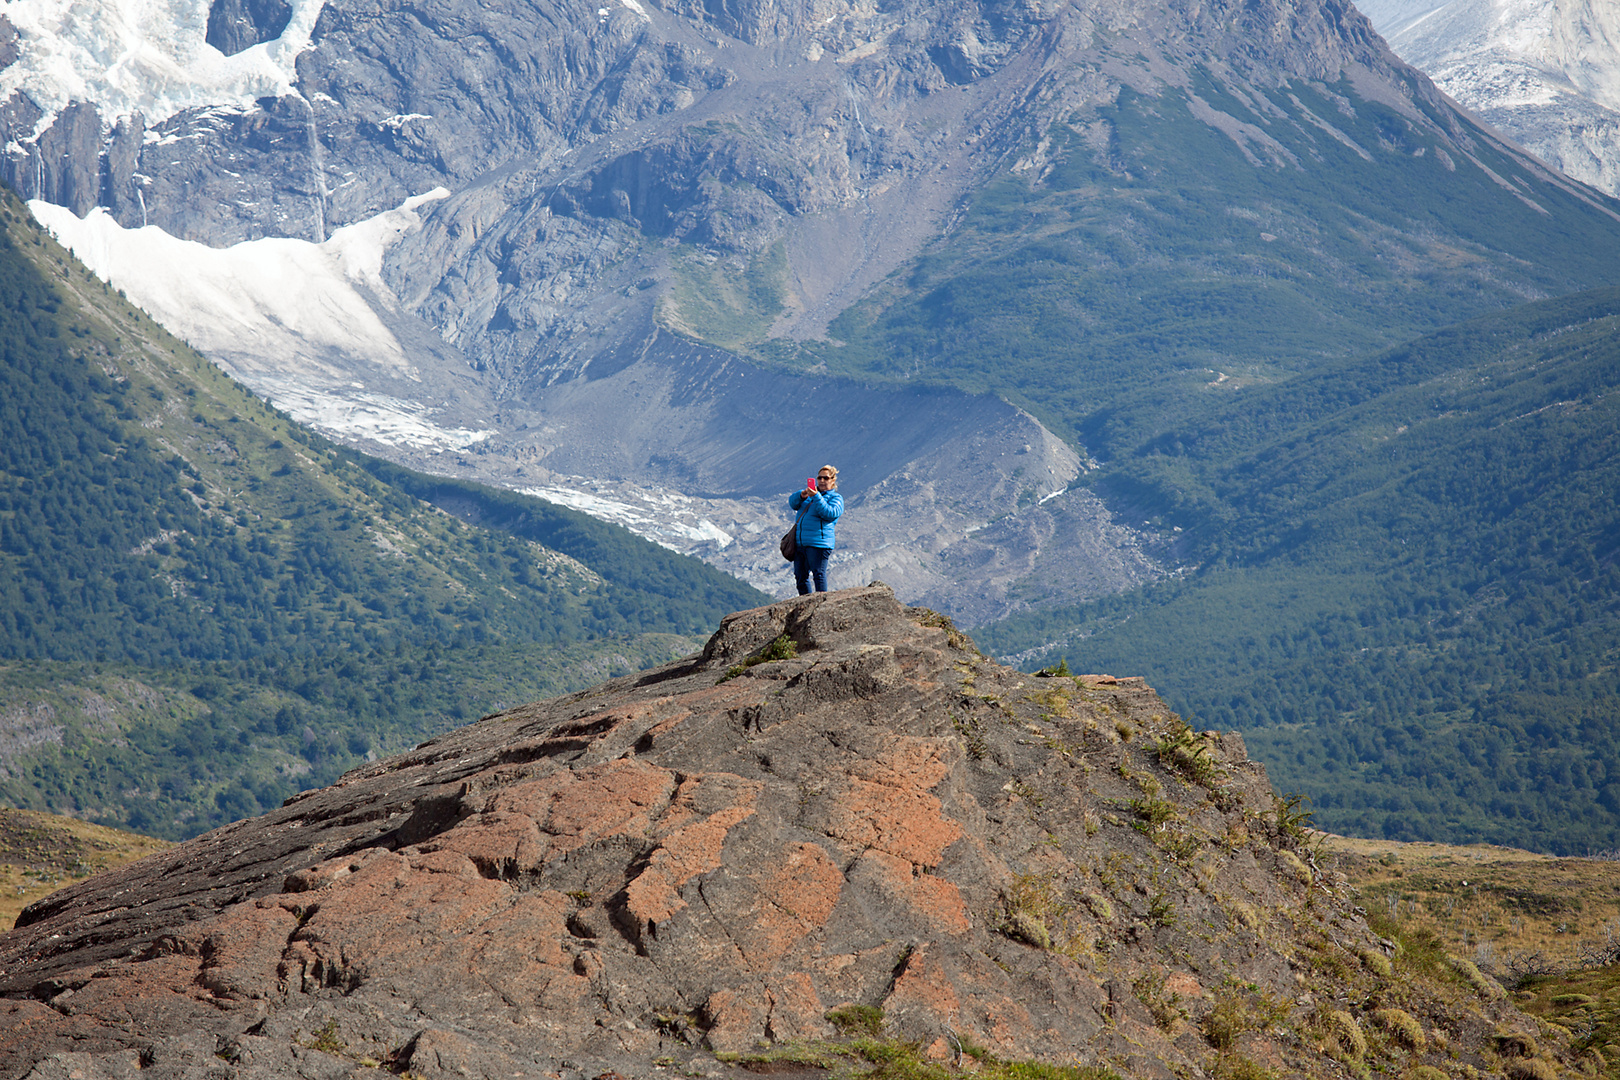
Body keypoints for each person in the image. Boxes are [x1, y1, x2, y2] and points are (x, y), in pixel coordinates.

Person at [787, 465, 843, 594]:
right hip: (801, 543)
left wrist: (817, 497)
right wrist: (801, 495)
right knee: (800, 576)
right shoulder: (810, 496)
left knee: (818, 574)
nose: (822, 481)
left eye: (826, 478)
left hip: (819, 543)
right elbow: (793, 503)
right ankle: (805, 604)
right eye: (819, 478)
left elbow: (830, 514)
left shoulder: (836, 498)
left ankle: (821, 606)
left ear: (833, 480)